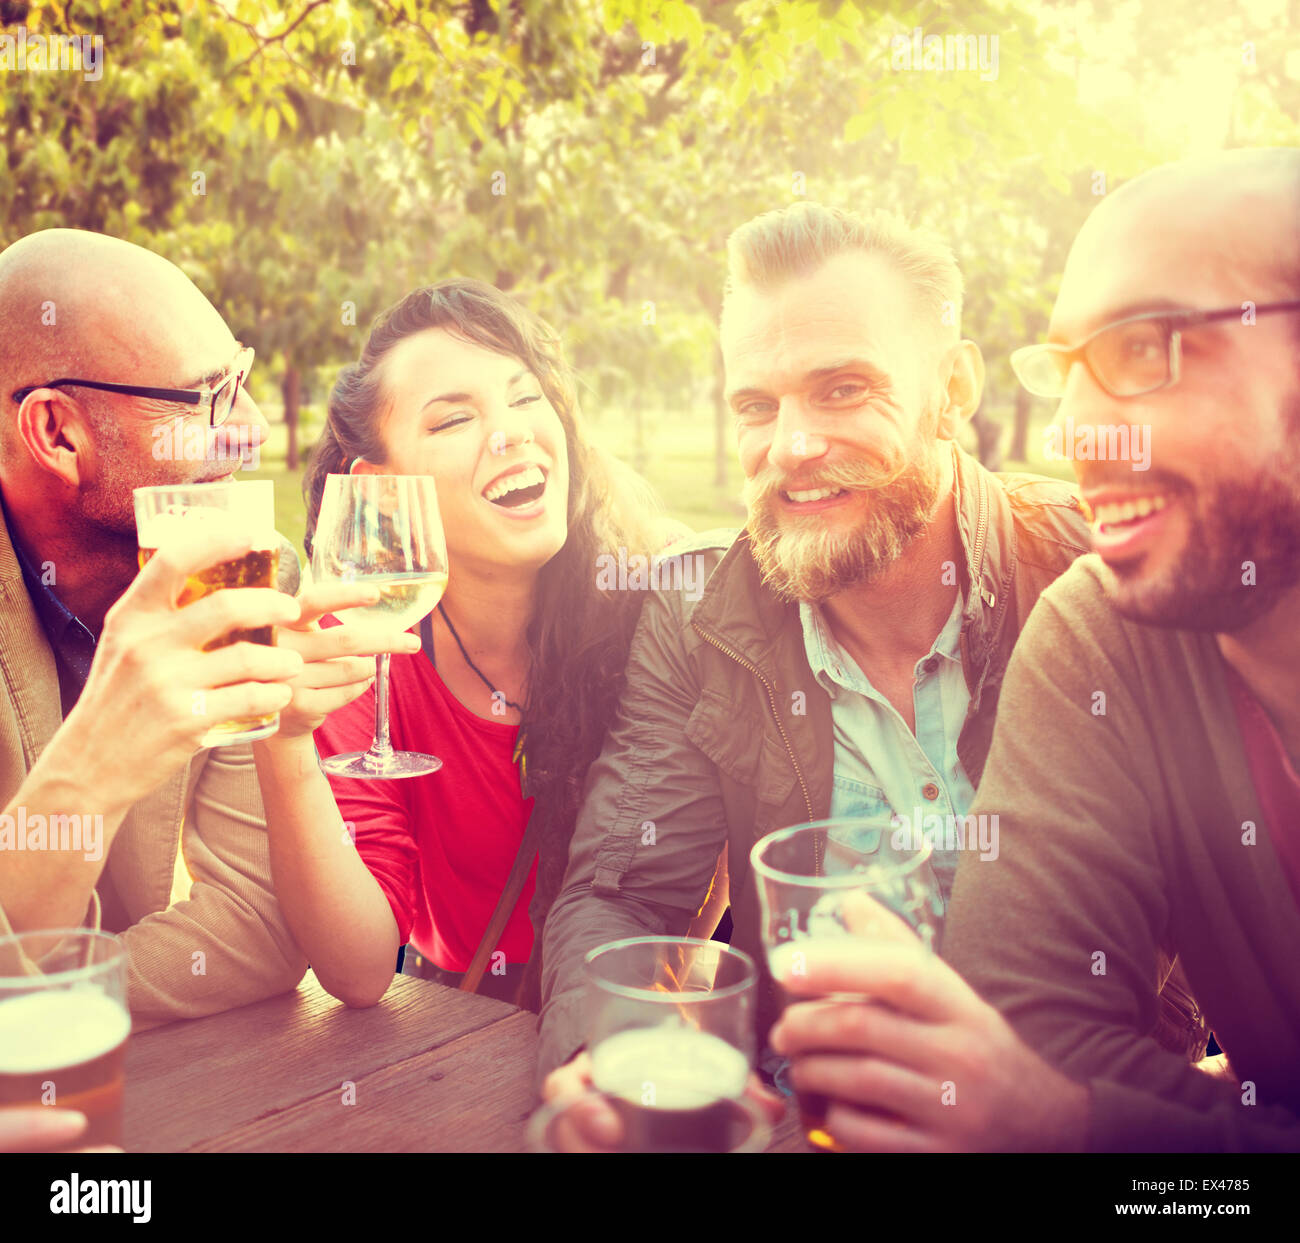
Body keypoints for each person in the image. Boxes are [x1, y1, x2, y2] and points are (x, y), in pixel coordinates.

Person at [767, 147, 1300, 1152]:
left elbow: (1057, 1113)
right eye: (1065, 372)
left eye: (1143, 349)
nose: (1073, 434)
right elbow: (1035, 1048)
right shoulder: (1105, 632)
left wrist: (1094, 1130)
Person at [537, 201, 1093, 1100]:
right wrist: (622, 1051)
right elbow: (627, 895)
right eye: (758, 405)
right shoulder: (698, 616)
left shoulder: (1091, 572)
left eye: (842, 390)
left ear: (952, 391)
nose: (791, 447)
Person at [0, 229, 408, 1025]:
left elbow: (258, 929)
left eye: (243, 381)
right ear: (56, 433)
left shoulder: (228, 573)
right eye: (206, 396)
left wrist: (28, 1005)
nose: (254, 428)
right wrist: (97, 761)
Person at [252, 279, 665, 1012]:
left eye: (525, 397)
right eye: (453, 421)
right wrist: (285, 746)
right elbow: (358, 967)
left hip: (639, 1004)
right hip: (465, 1020)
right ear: (381, 486)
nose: (509, 432)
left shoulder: (652, 611)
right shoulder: (355, 658)